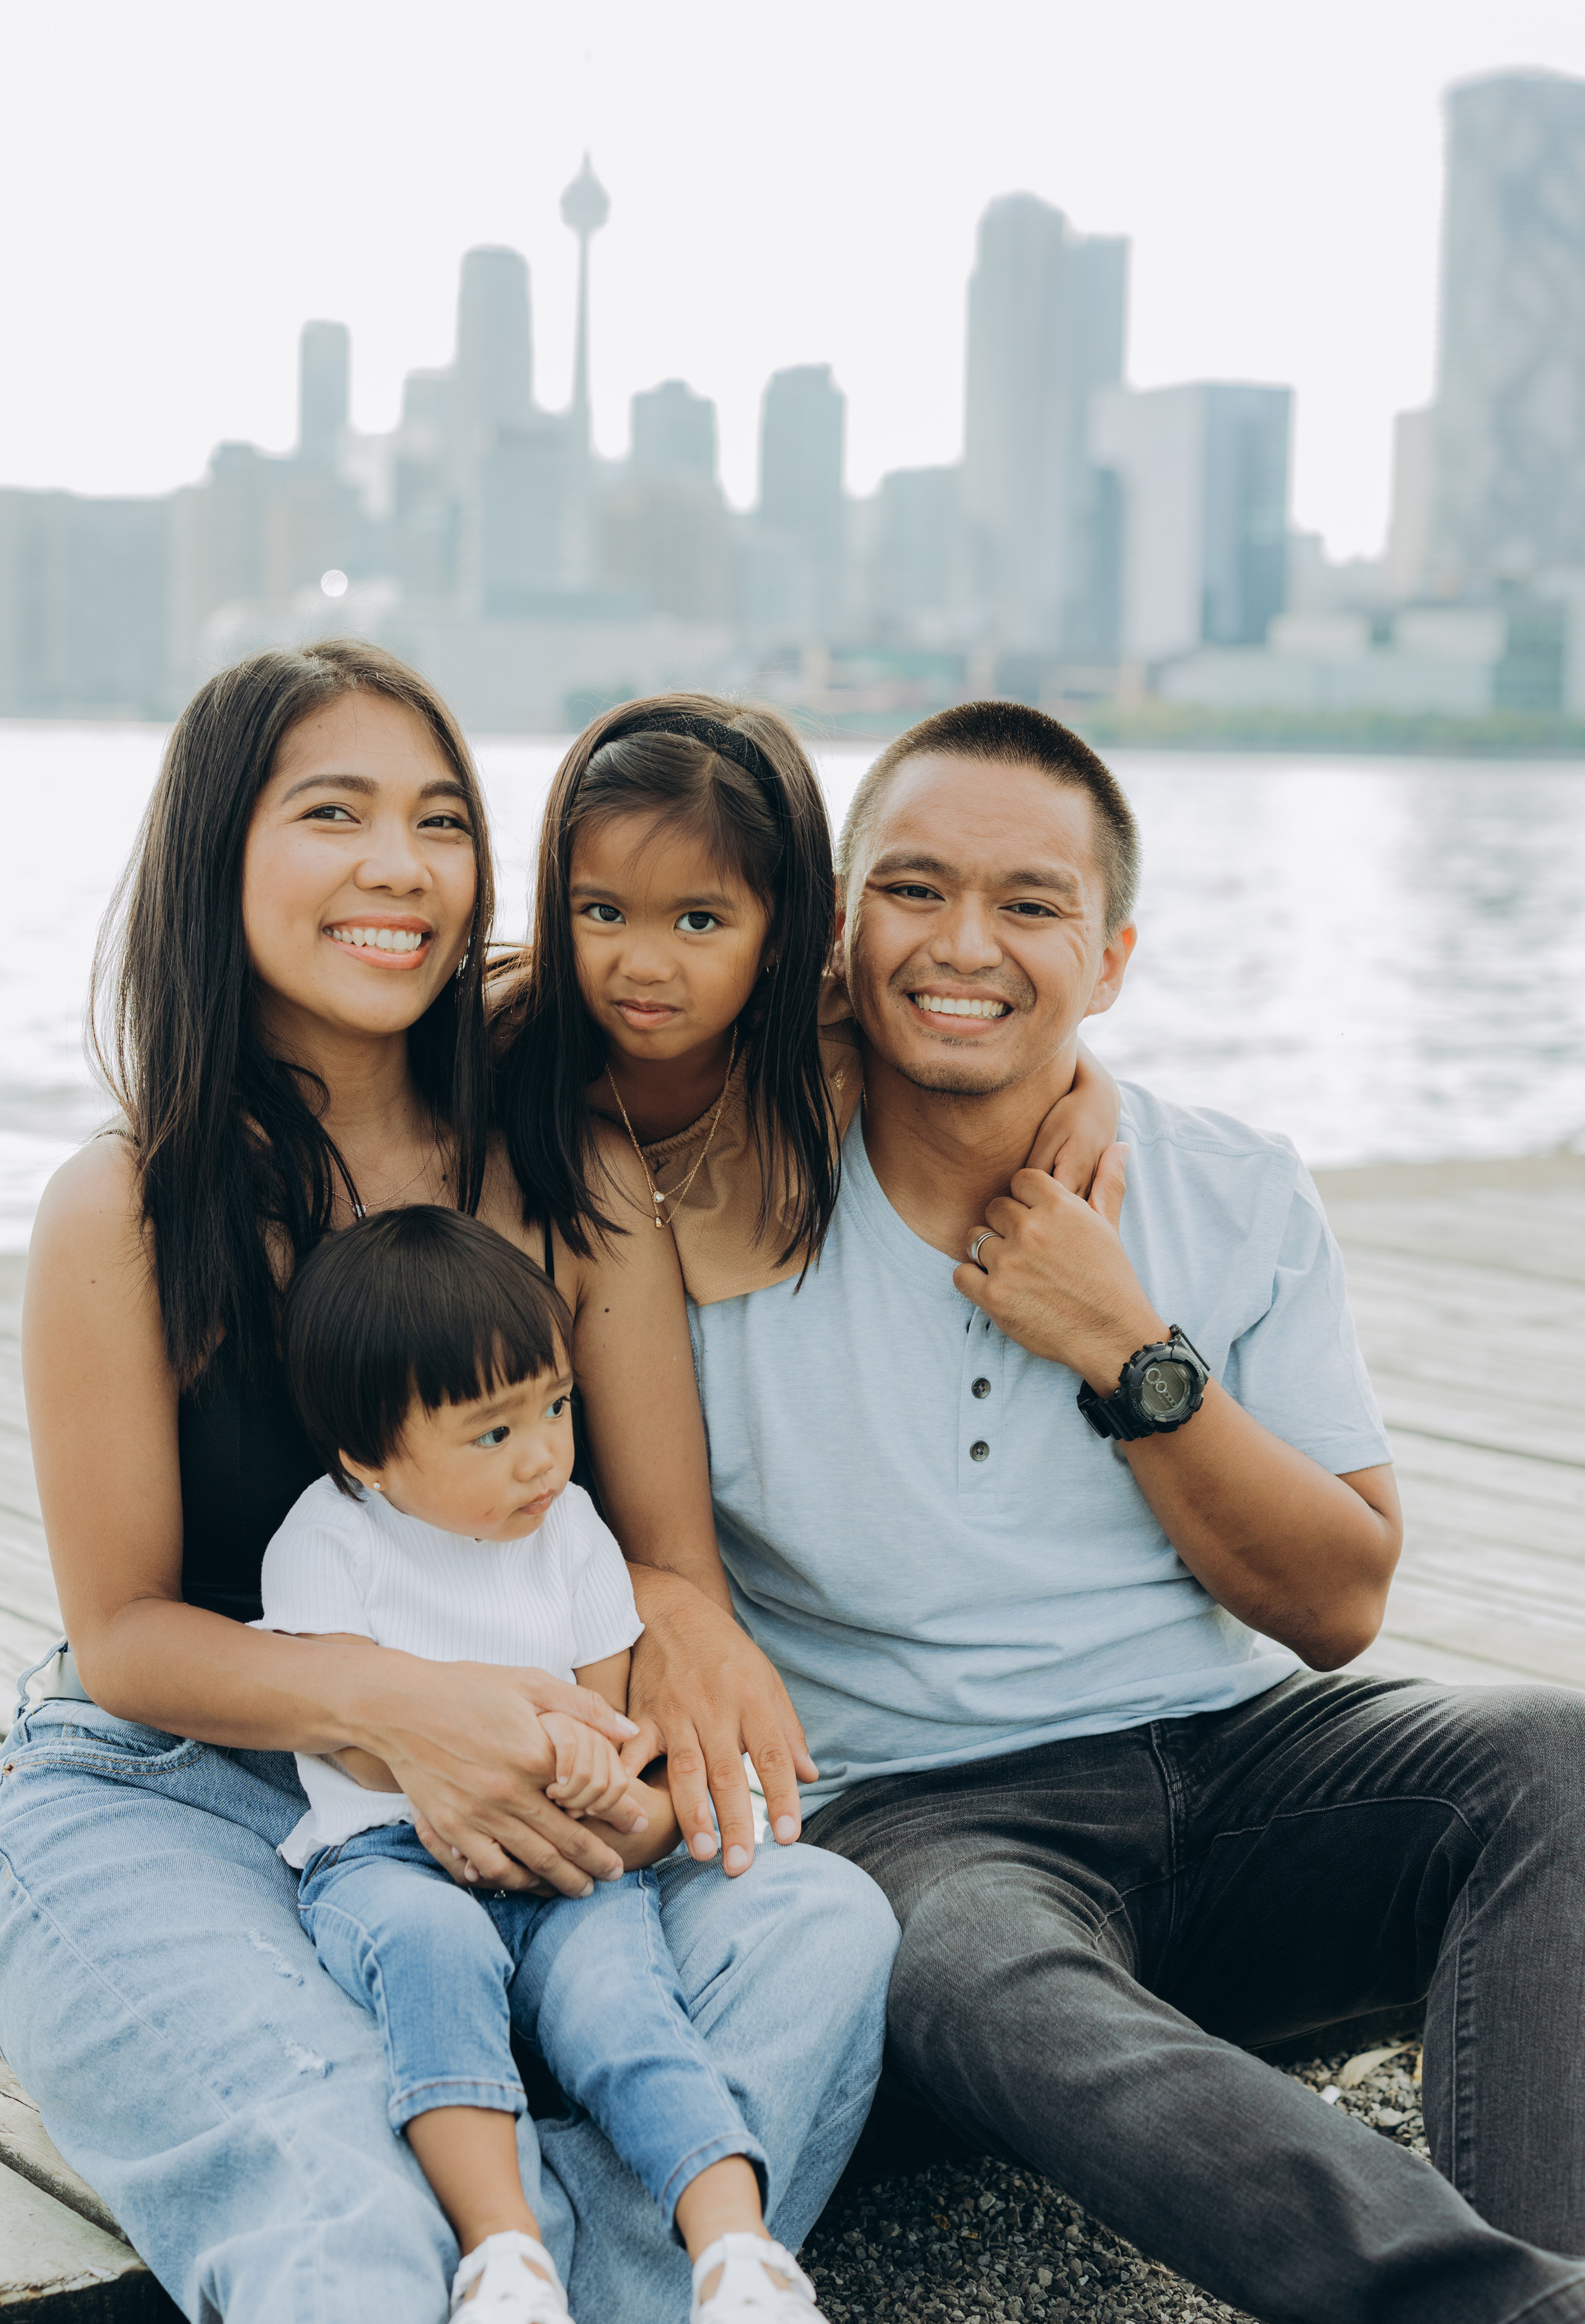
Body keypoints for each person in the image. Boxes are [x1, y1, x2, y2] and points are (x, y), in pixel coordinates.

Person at [605, 697, 1585, 2324]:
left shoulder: (1229, 1183)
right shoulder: (705, 1211)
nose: (962, 945)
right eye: (911, 891)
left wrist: (1125, 1349)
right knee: (940, 1951)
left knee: (1553, 1761)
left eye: (1030, 904)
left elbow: (1338, 1607)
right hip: (925, 1821)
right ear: (835, 938)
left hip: (1239, 1764)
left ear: (1110, 959)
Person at [0, 639, 896, 2324]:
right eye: (335, 813)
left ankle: (543, 2275)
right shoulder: (123, 1206)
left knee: (822, 1925)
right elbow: (124, 1635)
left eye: (441, 820)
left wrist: (629, 1741)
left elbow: (667, 1562)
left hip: (533, 1780)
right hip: (178, 1786)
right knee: (338, 2187)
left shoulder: (563, 1152)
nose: (400, 865)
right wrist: (409, 1711)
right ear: (217, 854)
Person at [491, 696, 1120, 1878]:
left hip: (676, 1504)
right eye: (600, 913)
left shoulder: (822, 1036)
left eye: (699, 919)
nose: (643, 961)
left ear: (793, 937)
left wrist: (1092, 1088)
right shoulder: (502, 1058)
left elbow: (1005, 1025)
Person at [262, 1204, 817, 2324]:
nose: (546, 1454)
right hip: (390, 1855)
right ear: (368, 1455)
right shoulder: (330, 1539)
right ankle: (503, 2249)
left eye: (556, 1407)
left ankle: (738, 2254)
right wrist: (520, 1757)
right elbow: (353, 1743)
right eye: (492, 1433)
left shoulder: (571, 1533)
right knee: (431, 1949)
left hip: (565, 1856)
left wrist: (607, 1782)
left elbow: (605, 1714)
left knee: (625, 1995)